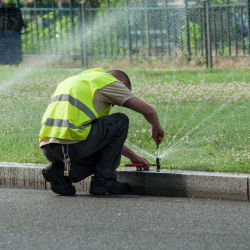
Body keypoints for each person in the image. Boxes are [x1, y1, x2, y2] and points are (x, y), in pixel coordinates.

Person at [40, 68, 164, 196]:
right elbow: (150, 111)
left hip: (49, 147)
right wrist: (156, 127)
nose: (116, 104)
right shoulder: (108, 82)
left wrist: (133, 157)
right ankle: (104, 180)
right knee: (121, 120)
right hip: (73, 144)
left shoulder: (79, 81)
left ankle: (60, 174)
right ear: (121, 85)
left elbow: (104, 140)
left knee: (104, 150)